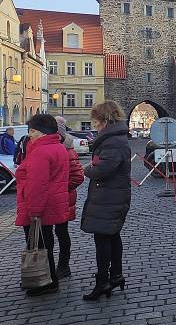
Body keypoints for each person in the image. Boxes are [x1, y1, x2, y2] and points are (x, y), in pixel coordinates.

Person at [81, 101, 131, 301]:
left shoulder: (112, 141)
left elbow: (104, 170)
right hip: (112, 196)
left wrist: (87, 169)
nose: (94, 125)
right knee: (111, 236)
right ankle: (116, 276)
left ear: (105, 120)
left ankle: (103, 282)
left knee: (102, 239)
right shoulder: (116, 138)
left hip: (109, 197)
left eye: (95, 121)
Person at [15, 114, 69, 296]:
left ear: (42, 132)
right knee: (45, 243)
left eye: (32, 130)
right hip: (52, 203)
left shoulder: (40, 151)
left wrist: (34, 211)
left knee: (39, 245)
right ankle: (48, 278)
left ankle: (45, 281)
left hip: (39, 206)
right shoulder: (58, 147)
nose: (29, 134)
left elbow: (38, 185)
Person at [53, 116, 85, 279]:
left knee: (61, 233)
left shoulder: (67, 149)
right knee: (48, 235)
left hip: (63, 199)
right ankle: (49, 268)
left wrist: (59, 190)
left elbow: (78, 176)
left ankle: (63, 266)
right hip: (48, 201)